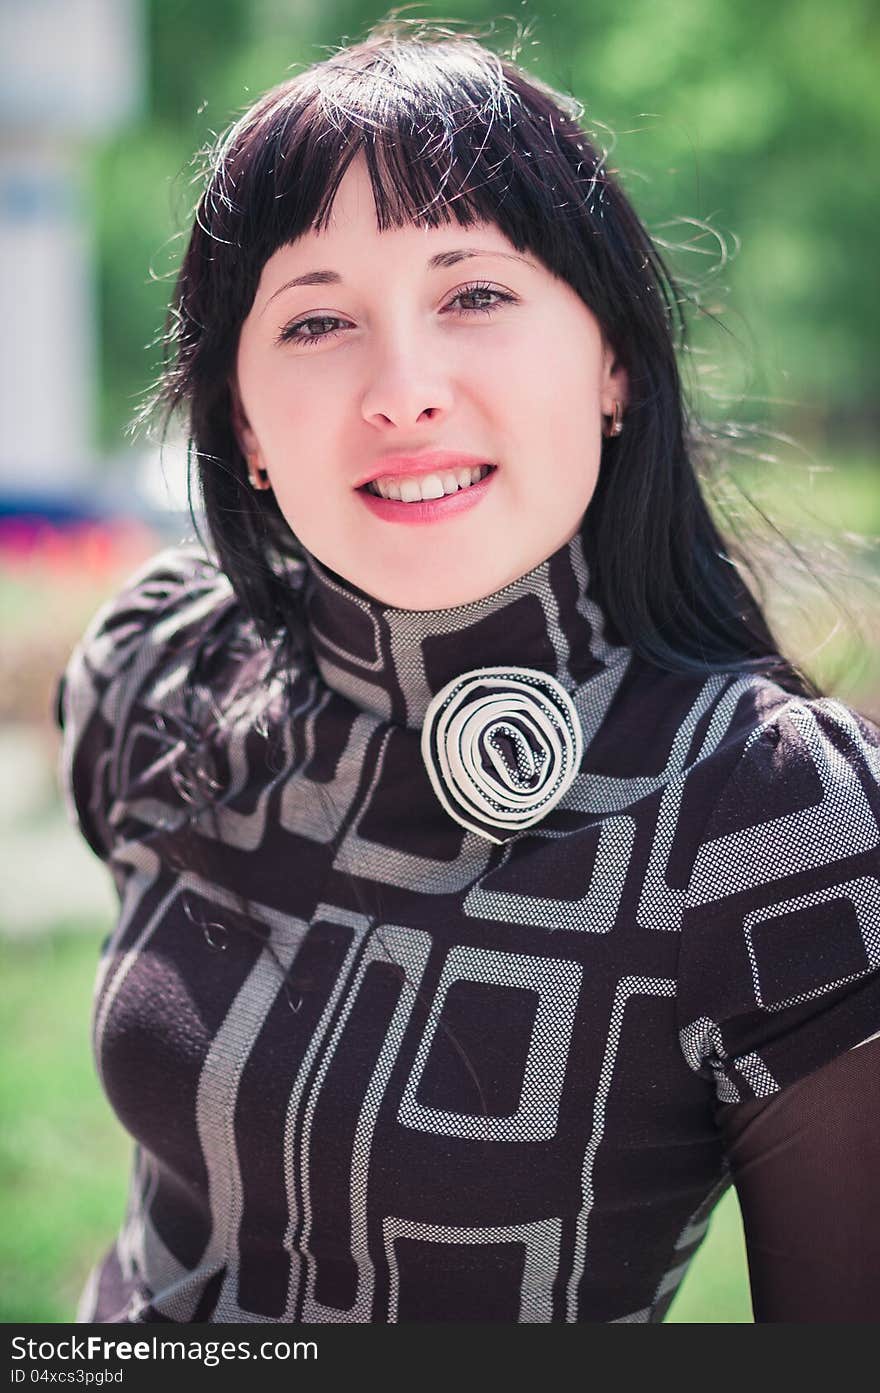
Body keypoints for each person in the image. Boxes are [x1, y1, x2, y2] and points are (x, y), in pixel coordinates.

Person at [55, 21, 880, 1324]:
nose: (405, 389)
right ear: (244, 427)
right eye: (317, 318)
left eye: (475, 294)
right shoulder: (153, 674)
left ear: (612, 361)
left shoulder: (774, 813)